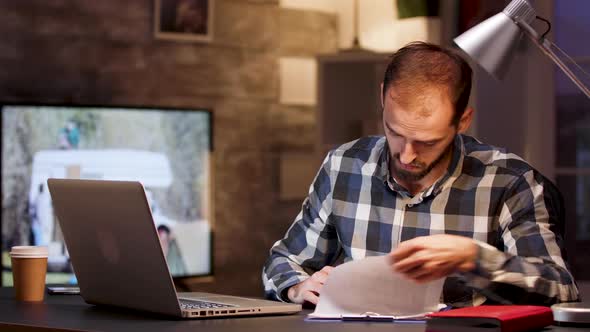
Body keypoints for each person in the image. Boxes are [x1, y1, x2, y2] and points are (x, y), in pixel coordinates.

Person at [262, 41, 579, 307]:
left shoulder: (510, 182)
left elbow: (559, 287)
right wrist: (298, 287)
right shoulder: (344, 165)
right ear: (383, 96)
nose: (406, 155)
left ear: (463, 120)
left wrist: (475, 260)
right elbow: (285, 260)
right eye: (394, 131)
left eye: (427, 142)